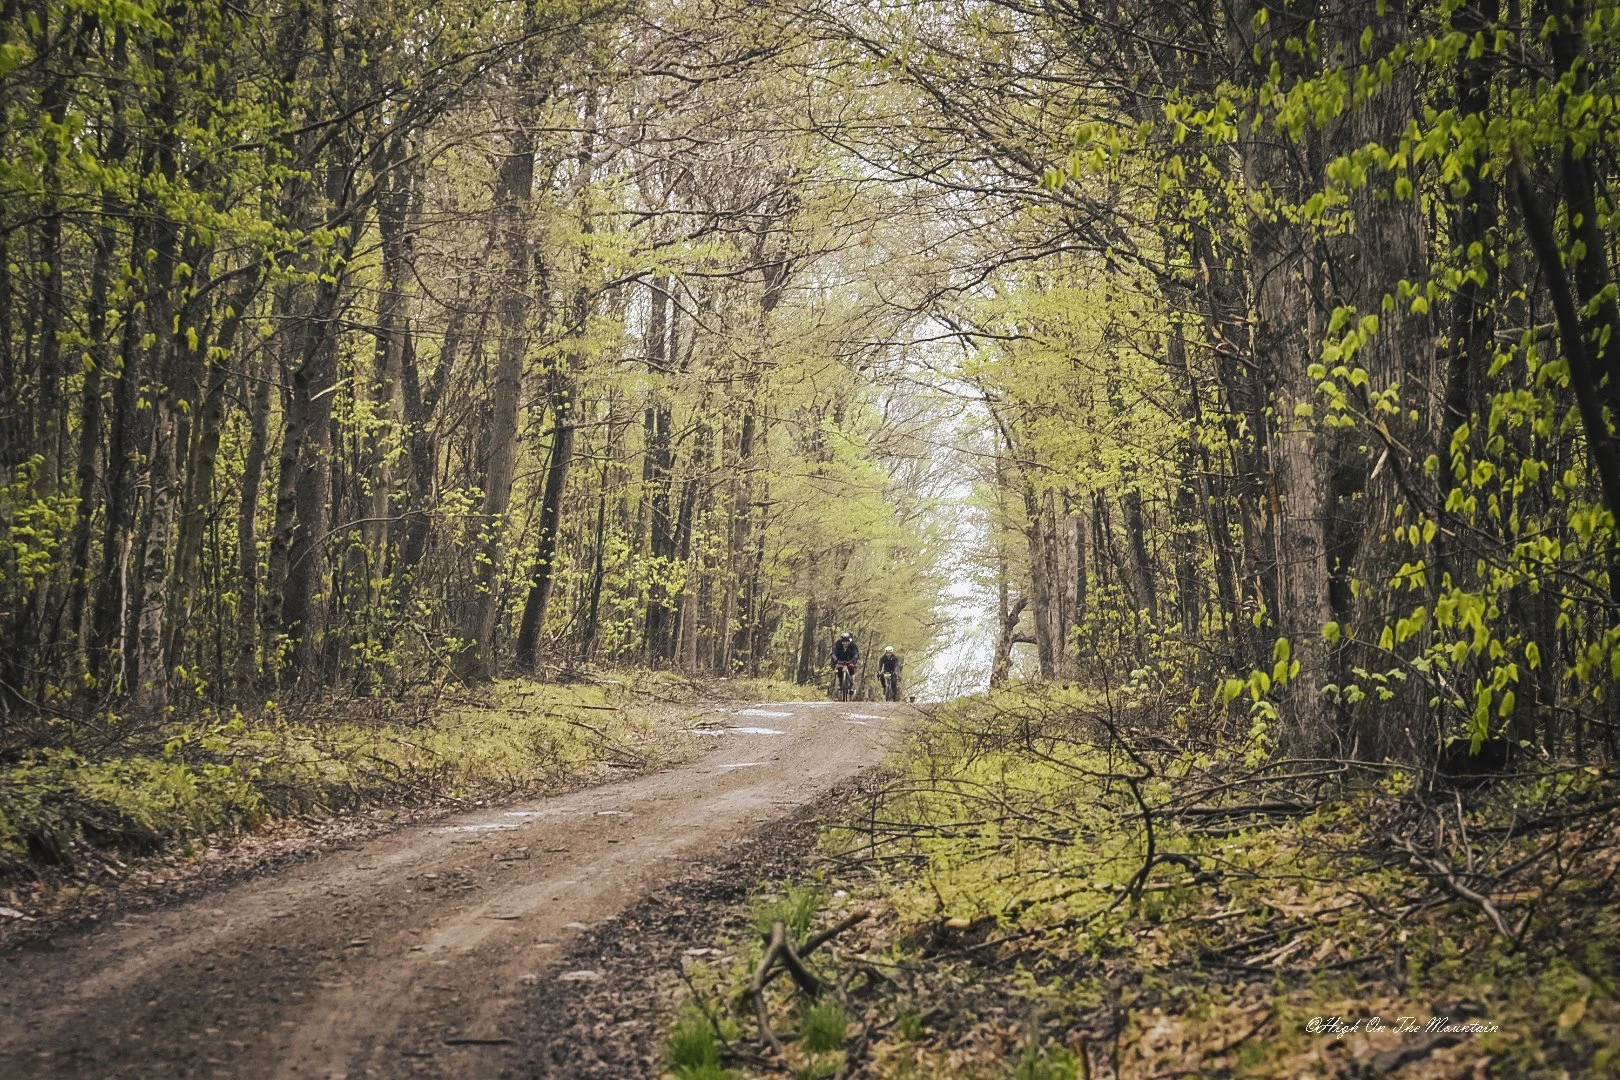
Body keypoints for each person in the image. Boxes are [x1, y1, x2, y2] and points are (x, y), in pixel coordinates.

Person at [830, 631, 859, 697]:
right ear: (841, 640)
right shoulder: (837, 644)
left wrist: (854, 659)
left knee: (851, 668)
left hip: (850, 661)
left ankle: (852, 684)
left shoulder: (853, 645)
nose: (845, 643)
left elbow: (856, 654)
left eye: (847, 641)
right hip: (840, 661)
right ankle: (841, 683)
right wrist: (835, 659)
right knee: (839, 669)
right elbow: (833, 653)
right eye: (844, 641)